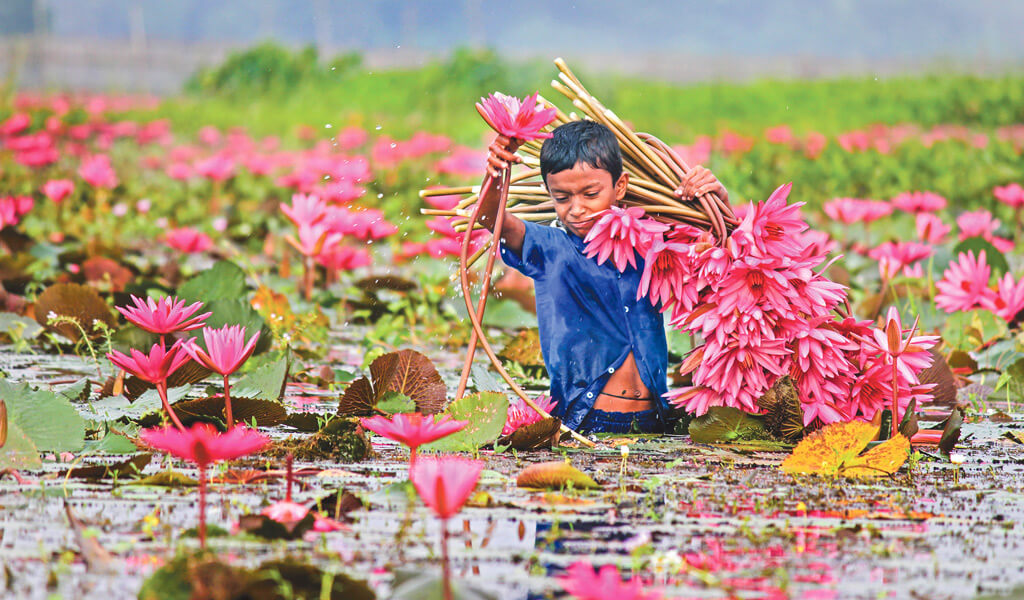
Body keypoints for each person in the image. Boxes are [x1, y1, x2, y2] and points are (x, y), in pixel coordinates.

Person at [476, 120, 728, 434]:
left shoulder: (651, 244)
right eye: (563, 197)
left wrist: (716, 198)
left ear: (619, 186)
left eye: (590, 194)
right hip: (589, 424)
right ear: (549, 193)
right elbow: (490, 216)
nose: (577, 209)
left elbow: (719, 250)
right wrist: (496, 171)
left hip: (656, 421)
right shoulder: (552, 250)